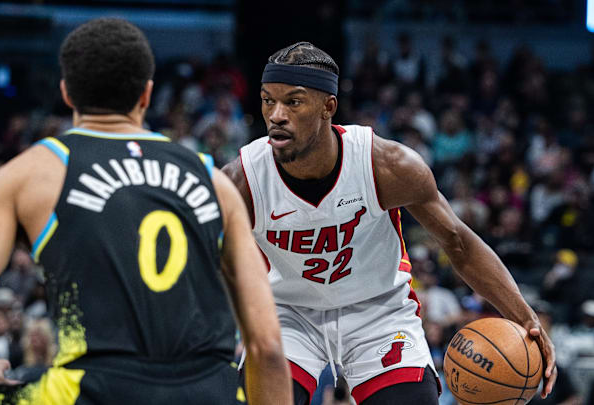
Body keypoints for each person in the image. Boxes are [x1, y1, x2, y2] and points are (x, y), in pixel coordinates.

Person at [0, 18, 291, 404]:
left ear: (67, 93)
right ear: (147, 94)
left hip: (97, 389)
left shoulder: (28, 174)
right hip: (207, 392)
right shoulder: (212, 180)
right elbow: (266, 345)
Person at [222, 41, 556, 404]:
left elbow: (458, 242)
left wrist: (526, 318)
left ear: (328, 107)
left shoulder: (388, 165)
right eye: (268, 100)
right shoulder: (242, 181)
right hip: (288, 313)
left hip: (377, 312)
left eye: (294, 101)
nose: (276, 114)